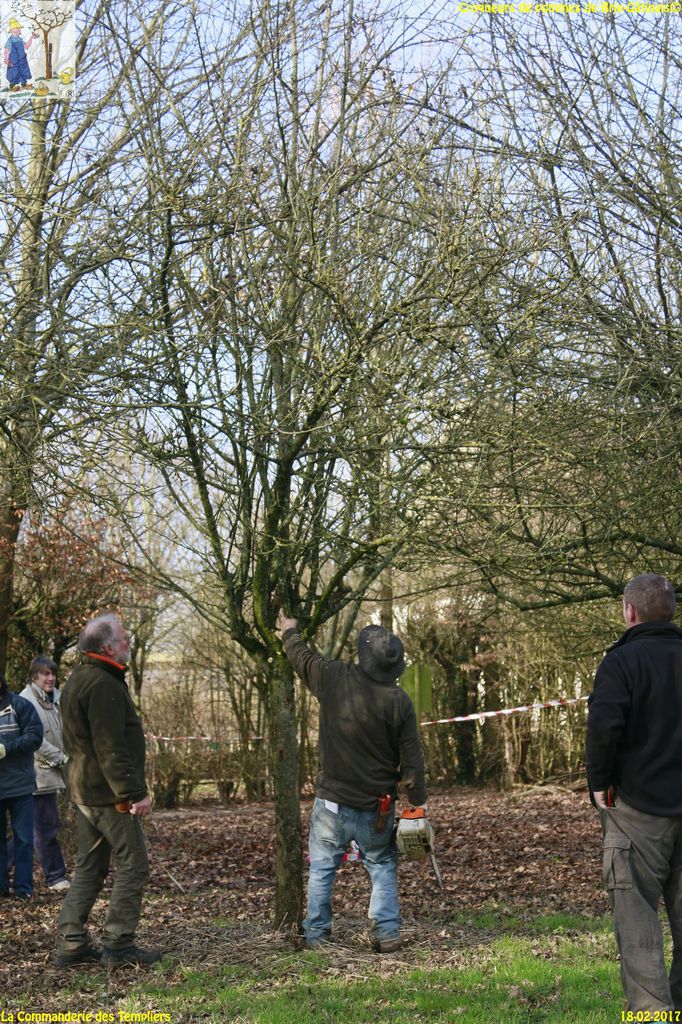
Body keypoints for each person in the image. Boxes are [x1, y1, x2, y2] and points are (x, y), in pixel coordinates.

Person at [279, 615, 427, 952]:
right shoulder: (399, 701)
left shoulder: (335, 678)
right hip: (378, 807)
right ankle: (387, 934)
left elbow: (302, 659)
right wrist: (417, 802)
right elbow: (412, 760)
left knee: (322, 869)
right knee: (382, 864)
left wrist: (289, 631)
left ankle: (317, 937)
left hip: (333, 805)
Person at [586, 573, 682, 1014]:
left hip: (637, 809)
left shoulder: (620, 662)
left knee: (637, 917)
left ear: (629, 611)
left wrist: (598, 782)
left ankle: (653, 1015)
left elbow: (603, 726)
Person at [54, 614, 161, 968]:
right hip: (107, 795)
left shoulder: (79, 678)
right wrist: (133, 793)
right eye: (124, 638)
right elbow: (109, 747)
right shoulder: (102, 684)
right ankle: (118, 943)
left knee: (90, 867)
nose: (129, 642)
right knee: (134, 866)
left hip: (86, 790)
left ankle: (71, 943)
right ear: (108, 647)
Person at [20, 655, 70, 893]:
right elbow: (35, 740)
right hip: (37, 773)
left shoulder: (56, 698)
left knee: (31, 829)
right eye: (45, 674)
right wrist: (61, 759)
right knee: (45, 826)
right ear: (34, 677)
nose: (51, 678)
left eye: (53, 674)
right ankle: (55, 877)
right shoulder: (26, 701)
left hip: (53, 770)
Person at [0, 670, 43, 899]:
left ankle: (23, 889)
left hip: (20, 786)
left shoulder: (20, 705)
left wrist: (7, 749)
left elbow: (35, 736)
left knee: (24, 839)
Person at [4, 18, 38, 92]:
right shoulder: (10, 40)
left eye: (19, 28)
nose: (19, 30)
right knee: (14, 72)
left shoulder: (20, 39)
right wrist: (7, 60)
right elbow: (6, 50)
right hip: (14, 60)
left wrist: (31, 38)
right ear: (13, 30)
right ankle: (12, 86)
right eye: (18, 28)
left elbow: (26, 46)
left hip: (22, 59)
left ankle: (24, 85)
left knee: (23, 71)